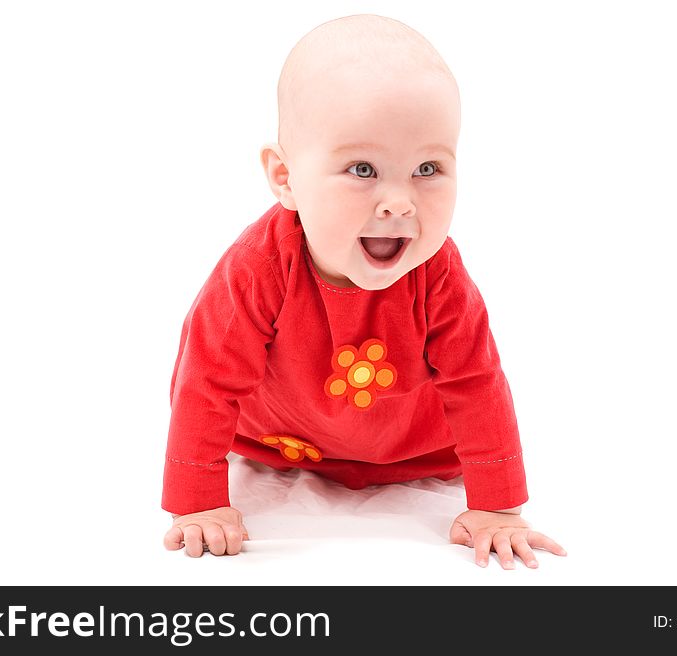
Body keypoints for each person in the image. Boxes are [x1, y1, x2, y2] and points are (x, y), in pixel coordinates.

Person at [161, 14, 566, 569]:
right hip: (280, 445)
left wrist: (497, 508)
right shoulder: (259, 266)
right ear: (285, 178)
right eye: (362, 168)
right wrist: (199, 503)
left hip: (416, 451)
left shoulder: (439, 273)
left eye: (428, 167)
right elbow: (205, 379)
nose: (399, 201)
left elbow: (476, 382)